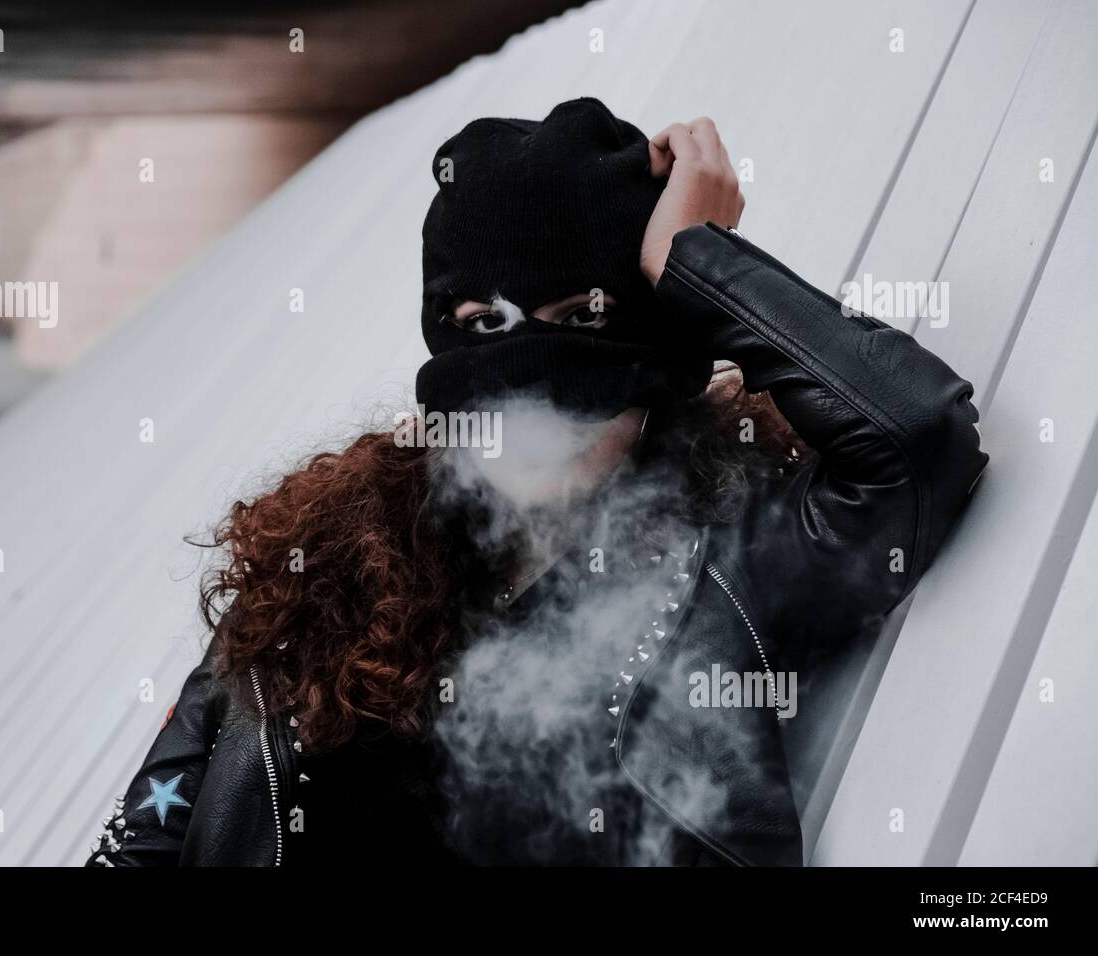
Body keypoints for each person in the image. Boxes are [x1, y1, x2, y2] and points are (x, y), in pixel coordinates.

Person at [87, 98, 986, 867]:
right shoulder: (321, 563)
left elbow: (915, 436)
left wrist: (695, 259)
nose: (532, 376)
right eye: (485, 321)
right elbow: (145, 844)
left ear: (654, 345)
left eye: (578, 318)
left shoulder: (732, 562)